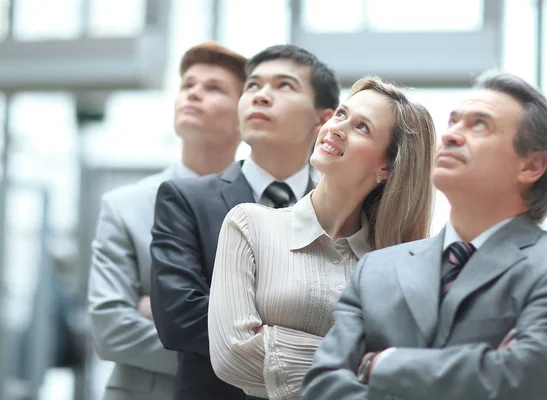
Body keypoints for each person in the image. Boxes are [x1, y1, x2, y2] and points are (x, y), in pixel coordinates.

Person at [301, 70, 547, 400]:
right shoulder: (375, 269)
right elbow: (321, 387)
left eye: (479, 125)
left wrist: (382, 365)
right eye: (454, 122)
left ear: (530, 166)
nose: (452, 135)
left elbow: (525, 380)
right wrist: (485, 366)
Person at [207, 76, 436, 400]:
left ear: (386, 167)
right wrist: (368, 366)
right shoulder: (249, 224)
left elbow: (415, 379)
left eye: (362, 128)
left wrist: (274, 342)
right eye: (341, 114)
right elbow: (232, 355)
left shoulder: (397, 268)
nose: (337, 127)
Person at [149, 44, 340, 400]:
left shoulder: (343, 211)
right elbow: (180, 319)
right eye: (252, 86)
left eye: (284, 86)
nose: (261, 96)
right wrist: (329, 347)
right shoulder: (186, 199)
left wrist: (241, 319)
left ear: (323, 120)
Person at [87, 42, 247, 400]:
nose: (193, 94)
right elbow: (110, 329)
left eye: (213, 88)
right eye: (187, 85)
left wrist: (164, 314)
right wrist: (240, 357)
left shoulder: (265, 208)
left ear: (244, 116)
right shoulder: (124, 206)